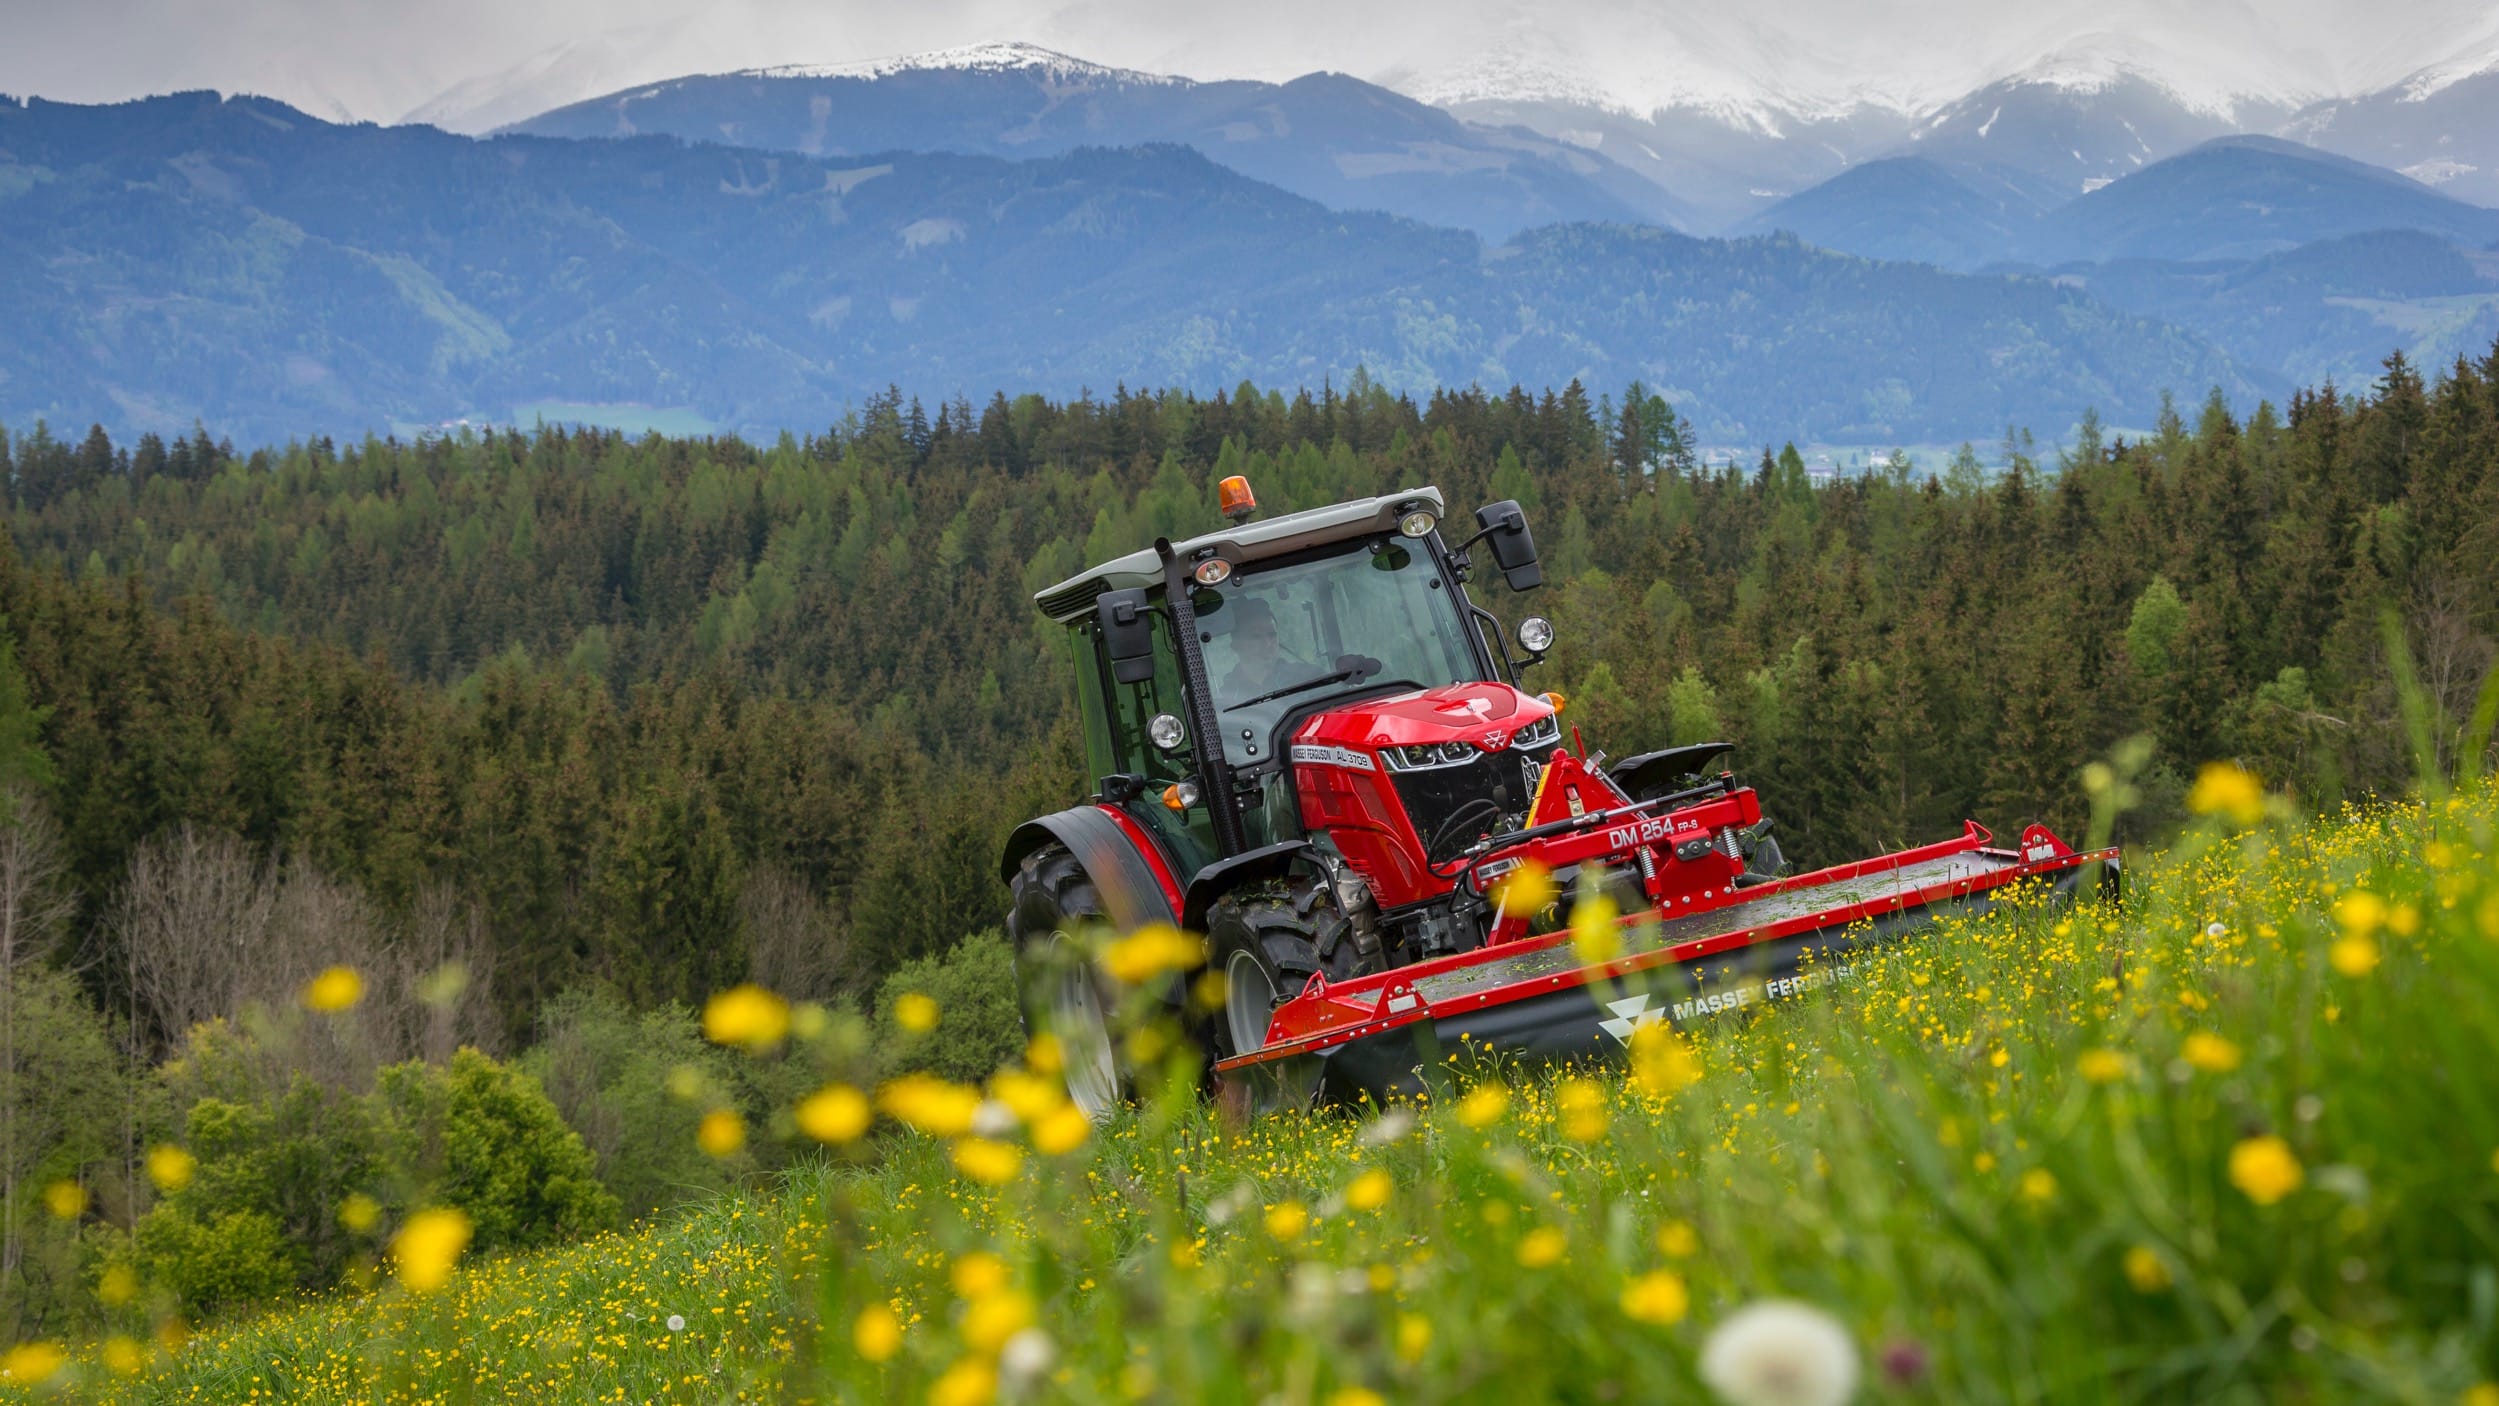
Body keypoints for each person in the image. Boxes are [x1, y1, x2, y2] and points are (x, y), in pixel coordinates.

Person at [1217, 596, 1309, 703]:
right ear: (1236, 645)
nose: (1267, 644)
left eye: (1272, 635)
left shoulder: (1308, 678)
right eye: (1255, 636)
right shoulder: (1225, 699)